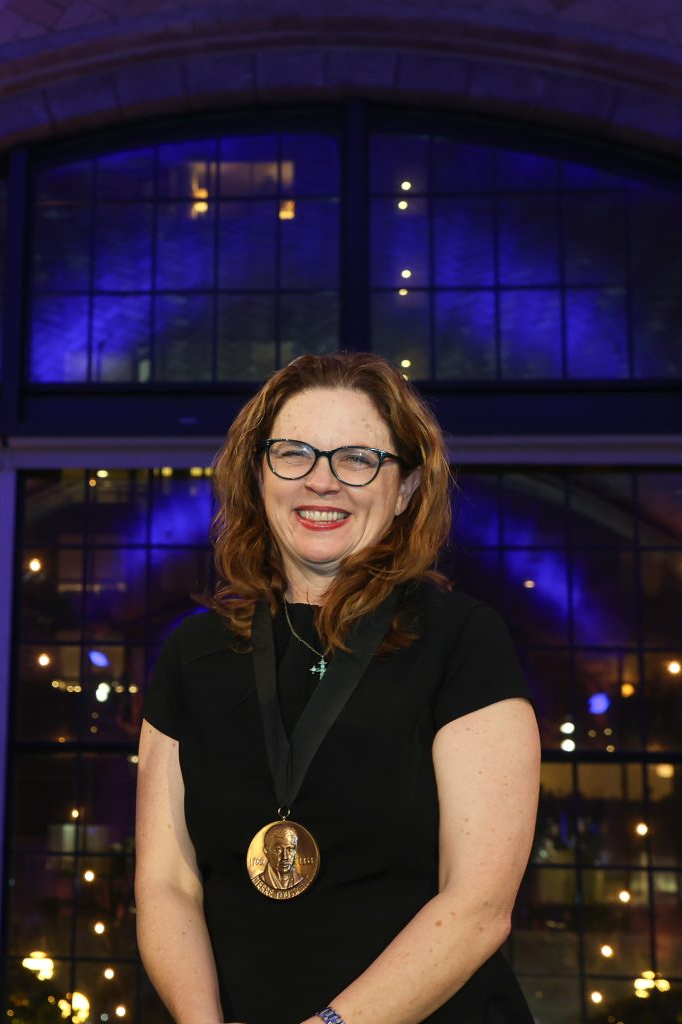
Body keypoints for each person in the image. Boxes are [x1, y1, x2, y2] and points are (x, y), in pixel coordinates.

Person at [135, 353, 539, 1024]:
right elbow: (165, 884)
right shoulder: (192, 653)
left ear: (406, 486)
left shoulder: (463, 641)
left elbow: (477, 908)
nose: (322, 483)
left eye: (357, 459)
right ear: (257, 473)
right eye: (294, 453)